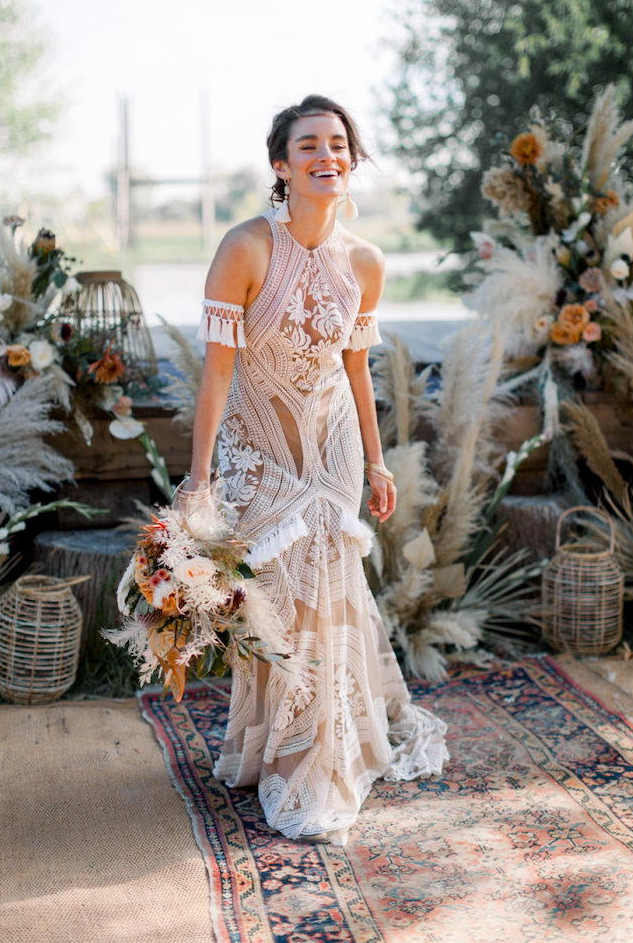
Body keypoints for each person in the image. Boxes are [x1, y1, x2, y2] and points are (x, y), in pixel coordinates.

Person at [178, 94, 448, 845]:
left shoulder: (366, 260)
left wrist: (376, 458)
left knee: (328, 587)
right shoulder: (244, 248)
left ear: (351, 160)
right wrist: (200, 480)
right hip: (256, 450)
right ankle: (277, 747)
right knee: (281, 594)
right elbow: (217, 376)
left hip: (330, 450)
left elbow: (357, 370)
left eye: (338, 144)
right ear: (281, 165)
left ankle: (322, 758)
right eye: (309, 146)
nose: (327, 155)